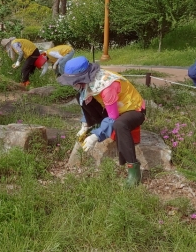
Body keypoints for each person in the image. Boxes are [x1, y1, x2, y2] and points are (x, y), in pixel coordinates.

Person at [57, 56, 146, 187]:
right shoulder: (90, 82)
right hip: (114, 109)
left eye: (75, 81)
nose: (74, 84)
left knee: (119, 124)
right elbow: (84, 99)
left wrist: (96, 136)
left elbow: (114, 117)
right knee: (81, 96)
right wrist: (85, 125)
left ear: (83, 77)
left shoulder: (107, 86)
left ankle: (134, 170)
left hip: (133, 110)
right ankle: (93, 126)